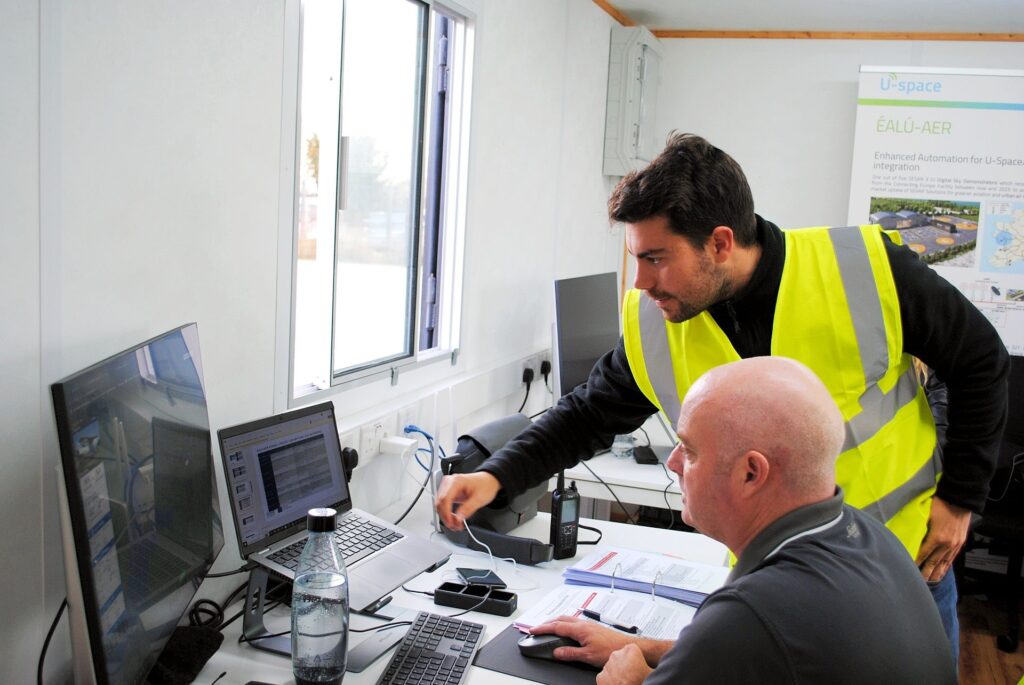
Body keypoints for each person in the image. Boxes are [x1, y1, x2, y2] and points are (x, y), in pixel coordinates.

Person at [435, 133, 1010, 660]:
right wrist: (498, 476)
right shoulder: (658, 318)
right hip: (770, 574)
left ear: (720, 242)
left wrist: (960, 499)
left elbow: (981, 360)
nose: (641, 281)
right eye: (637, 257)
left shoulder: (863, 269)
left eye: (656, 258)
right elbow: (588, 411)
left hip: (902, 564)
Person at [528, 357, 957, 684]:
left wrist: (628, 679)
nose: (674, 463)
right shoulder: (869, 537)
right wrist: (641, 646)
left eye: (690, 450)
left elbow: (746, 639)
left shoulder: (751, 614)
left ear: (751, 473)